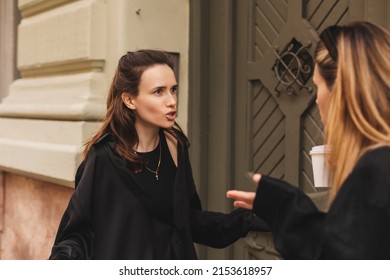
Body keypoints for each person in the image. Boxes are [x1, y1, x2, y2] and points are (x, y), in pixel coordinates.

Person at [50, 49, 266, 260]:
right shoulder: (103, 158)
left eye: (173, 89)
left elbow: (188, 221)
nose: (171, 101)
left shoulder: (175, 147)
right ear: (129, 100)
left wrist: (247, 220)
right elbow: (76, 235)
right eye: (158, 91)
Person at [227, 21, 390, 259]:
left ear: (341, 90)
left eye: (317, 86)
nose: (317, 100)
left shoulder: (375, 171)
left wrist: (287, 210)